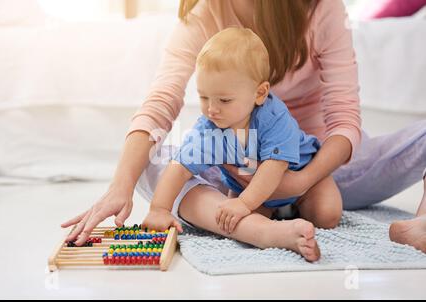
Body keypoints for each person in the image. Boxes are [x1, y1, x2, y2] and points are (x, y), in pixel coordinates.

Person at [61, 0, 426, 254]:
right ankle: (258, 229)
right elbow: (161, 102)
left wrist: (300, 180)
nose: (211, 108)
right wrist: (119, 188)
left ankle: (421, 223)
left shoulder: (320, 8)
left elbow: (344, 119)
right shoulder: (203, 11)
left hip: (314, 162)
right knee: (147, 162)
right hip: (236, 173)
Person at [142, 27, 343, 262]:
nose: (211, 109)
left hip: (301, 178)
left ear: (259, 93)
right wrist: (159, 209)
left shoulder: (275, 118)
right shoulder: (209, 127)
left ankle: (293, 206)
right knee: (238, 225)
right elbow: (179, 167)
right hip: (248, 185)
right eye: (204, 97)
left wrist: (244, 203)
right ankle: (279, 223)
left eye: (224, 100)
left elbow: (273, 168)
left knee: (326, 215)